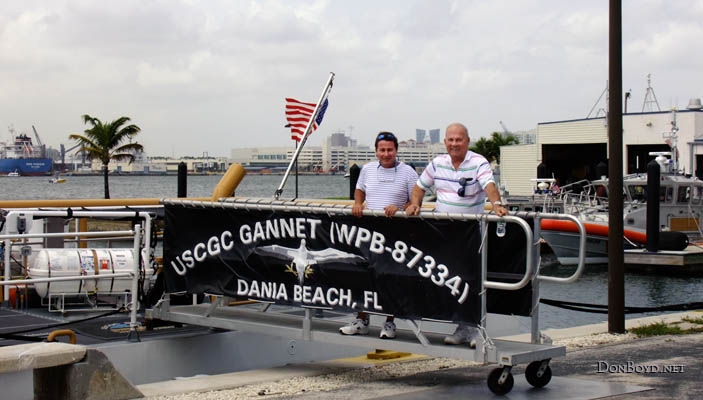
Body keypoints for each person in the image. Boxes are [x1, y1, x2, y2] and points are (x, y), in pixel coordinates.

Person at [406, 122, 508, 347]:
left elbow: (489, 185)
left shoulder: (478, 162)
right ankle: (462, 327)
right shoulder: (437, 163)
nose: (454, 144)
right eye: (450, 140)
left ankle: (476, 329)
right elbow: (419, 187)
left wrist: (497, 204)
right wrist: (415, 204)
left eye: (459, 140)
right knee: (451, 281)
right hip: (444, 235)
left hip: (471, 234)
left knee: (473, 281)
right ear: (445, 142)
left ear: (467, 141)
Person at [339, 131, 419, 339]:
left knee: (390, 277)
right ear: (376, 151)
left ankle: (389, 323)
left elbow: (415, 201)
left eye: (389, 150)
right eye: (382, 150)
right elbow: (359, 190)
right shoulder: (366, 169)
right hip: (369, 232)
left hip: (395, 233)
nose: (386, 154)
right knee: (364, 275)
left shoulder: (408, 172)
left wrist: (400, 206)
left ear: (396, 151)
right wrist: (358, 204)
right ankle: (361, 320)